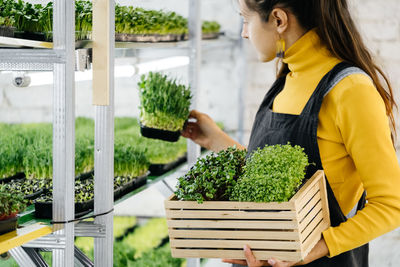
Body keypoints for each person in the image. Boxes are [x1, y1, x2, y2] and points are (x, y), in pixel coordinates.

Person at [181, 0, 400, 266]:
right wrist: (213, 139)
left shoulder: (351, 90)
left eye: (246, 20)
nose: (244, 33)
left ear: (278, 20)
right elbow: (275, 178)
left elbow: (391, 206)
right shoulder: (287, 78)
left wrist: (309, 250)